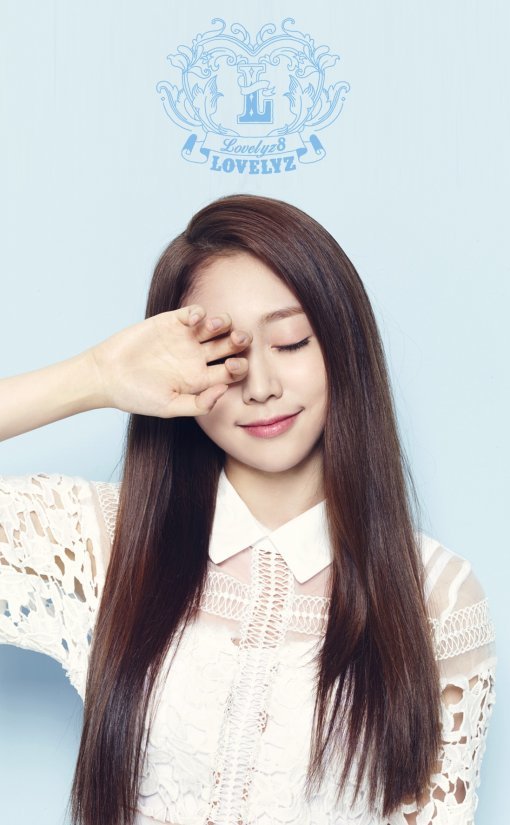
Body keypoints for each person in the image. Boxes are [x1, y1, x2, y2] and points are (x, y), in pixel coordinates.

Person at [0, 193, 496, 825]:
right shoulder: (98, 542)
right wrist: (96, 377)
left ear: (342, 345)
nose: (261, 387)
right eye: (225, 356)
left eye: (290, 342)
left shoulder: (436, 596)